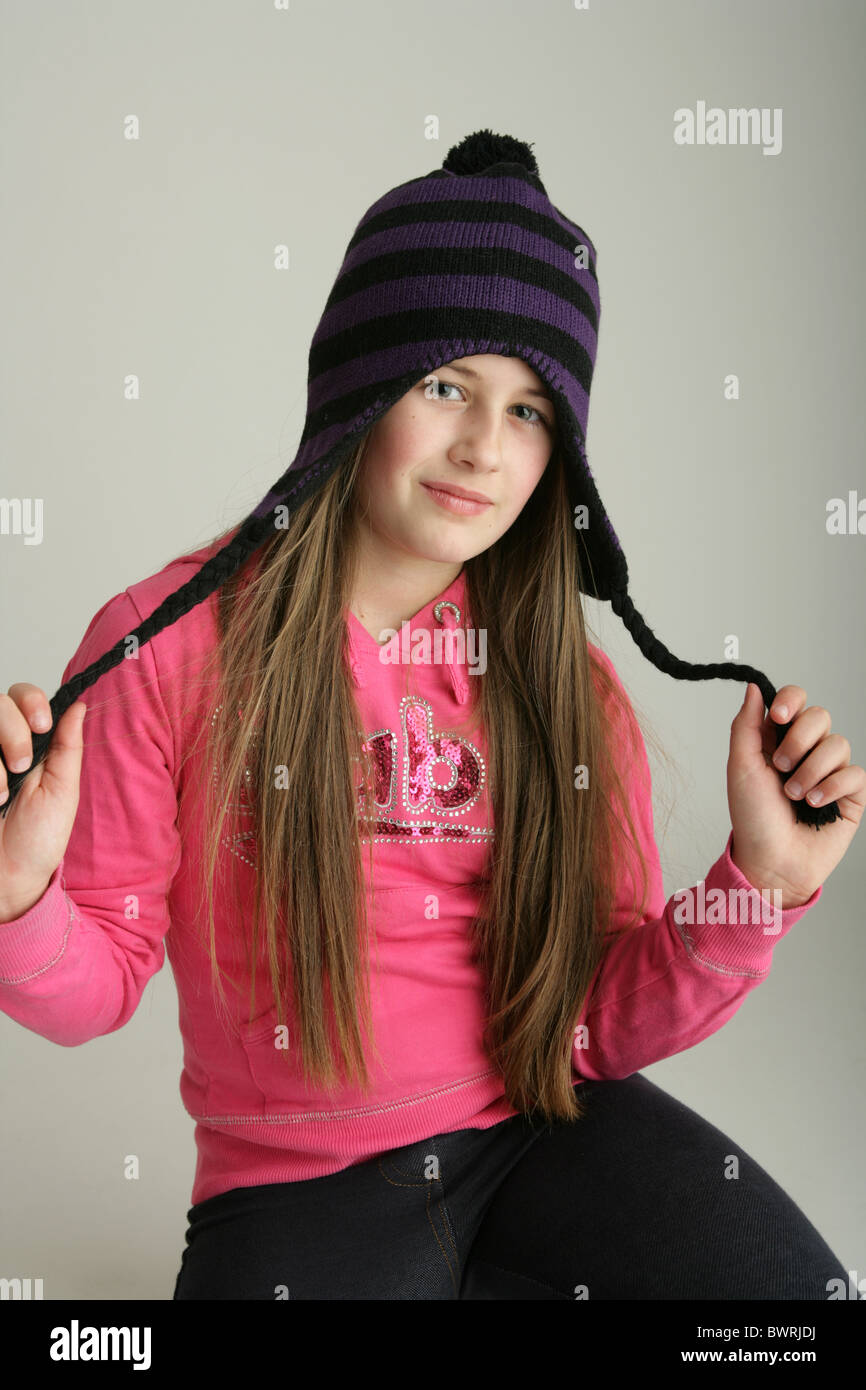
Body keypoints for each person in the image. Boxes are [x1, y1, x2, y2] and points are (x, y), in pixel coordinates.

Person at [0, 131, 861, 1301]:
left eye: (528, 412)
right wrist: (19, 895)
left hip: (540, 1135)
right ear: (358, 388)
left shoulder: (566, 692)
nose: (480, 449)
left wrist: (758, 878)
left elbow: (592, 1024)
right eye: (444, 384)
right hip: (298, 1198)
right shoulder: (169, 646)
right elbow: (93, 985)